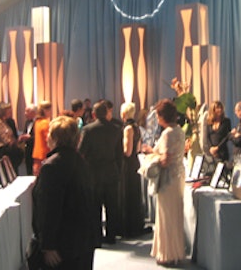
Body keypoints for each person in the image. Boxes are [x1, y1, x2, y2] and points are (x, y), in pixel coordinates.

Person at [32, 115, 96, 269]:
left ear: (54, 138)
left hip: (62, 243)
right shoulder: (81, 161)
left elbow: (49, 208)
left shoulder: (52, 166)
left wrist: (47, 244)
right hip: (82, 240)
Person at [79, 101, 123, 246]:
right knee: (112, 206)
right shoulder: (117, 129)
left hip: (93, 173)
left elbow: (81, 153)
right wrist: (119, 171)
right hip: (111, 171)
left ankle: (96, 238)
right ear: (107, 113)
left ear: (93, 114)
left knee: (95, 207)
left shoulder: (88, 130)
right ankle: (111, 236)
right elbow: (119, 155)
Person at [150, 99, 185, 266]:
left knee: (166, 215)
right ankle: (174, 251)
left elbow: (165, 160)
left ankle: (167, 254)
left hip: (168, 178)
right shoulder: (179, 130)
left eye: (157, 115)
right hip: (178, 176)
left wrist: (152, 159)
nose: (157, 118)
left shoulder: (167, 133)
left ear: (162, 116)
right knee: (174, 215)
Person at [119, 102, 145, 238]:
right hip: (135, 162)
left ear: (123, 113)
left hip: (128, 164)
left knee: (127, 193)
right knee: (134, 193)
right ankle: (135, 224)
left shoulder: (128, 128)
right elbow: (138, 148)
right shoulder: (137, 127)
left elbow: (127, 151)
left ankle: (128, 227)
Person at [0, 102, 23, 174]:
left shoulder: (7, 122)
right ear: (3, 112)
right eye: (9, 111)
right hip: (4, 150)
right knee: (7, 172)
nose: (11, 112)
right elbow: (3, 137)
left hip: (11, 150)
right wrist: (13, 141)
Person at [32, 101, 52, 176]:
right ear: (45, 111)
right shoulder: (45, 123)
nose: (50, 112)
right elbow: (48, 139)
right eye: (50, 110)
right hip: (44, 153)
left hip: (37, 153)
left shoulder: (37, 122)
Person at [19, 104, 37, 176]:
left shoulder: (38, 122)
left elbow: (39, 138)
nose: (25, 113)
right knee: (28, 171)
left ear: (33, 112)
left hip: (35, 149)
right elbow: (25, 132)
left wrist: (29, 138)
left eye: (27, 111)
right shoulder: (27, 122)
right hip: (28, 150)